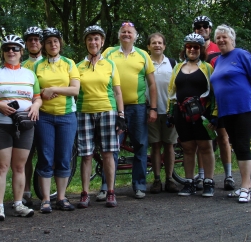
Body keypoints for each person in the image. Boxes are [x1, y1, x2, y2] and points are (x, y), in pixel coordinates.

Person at [0, 35, 42, 221]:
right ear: (3, 52)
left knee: (19, 166)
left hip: (25, 125)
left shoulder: (30, 74)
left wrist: (36, 106)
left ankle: (18, 204)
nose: (11, 52)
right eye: (7, 49)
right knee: (2, 166)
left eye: (15, 48)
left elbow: (37, 97)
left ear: (21, 52)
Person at [99, 21, 157, 200]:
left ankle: (139, 185)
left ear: (135, 36)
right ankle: (106, 187)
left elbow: (152, 84)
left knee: (140, 145)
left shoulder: (143, 55)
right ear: (119, 35)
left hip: (138, 107)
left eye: (130, 32)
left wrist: (153, 108)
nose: (126, 34)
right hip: (113, 107)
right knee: (112, 146)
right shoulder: (108, 52)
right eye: (123, 32)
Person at [210, 25, 251, 203]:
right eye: (218, 37)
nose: (221, 40)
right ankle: (247, 185)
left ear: (232, 39)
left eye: (224, 37)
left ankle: (246, 187)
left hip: (243, 107)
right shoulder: (218, 61)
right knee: (236, 145)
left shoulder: (241, 55)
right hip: (227, 110)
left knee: (242, 145)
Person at [76, 25, 126, 208]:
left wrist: (121, 115)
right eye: (90, 39)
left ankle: (111, 192)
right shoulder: (78, 66)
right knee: (86, 154)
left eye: (96, 39)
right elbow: (73, 90)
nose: (93, 42)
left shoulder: (110, 64)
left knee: (107, 153)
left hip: (107, 110)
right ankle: (84, 193)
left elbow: (118, 92)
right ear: (86, 43)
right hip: (84, 112)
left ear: (102, 42)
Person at [33, 27, 80, 213]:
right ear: (43, 46)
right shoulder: (37, 65)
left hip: (67, 116)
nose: (53, 44)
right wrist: (42, 94)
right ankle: (45, 199)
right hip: (44, 116)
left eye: (56, 41)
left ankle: (61, 197)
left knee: (64, 157)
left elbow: (75, 90)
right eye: (49, 42)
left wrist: (53, 90)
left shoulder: (69, 63)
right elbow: (34, 92)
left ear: (60, 43)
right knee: (45, 156)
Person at [167, 33, 217, 197]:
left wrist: (214, 114)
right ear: (185, 48)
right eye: (189, 46)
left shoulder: (207, 68)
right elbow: (171, 91)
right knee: (188, 148)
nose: (192, 49)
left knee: (205, 147)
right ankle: (189, 182)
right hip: (181, 114)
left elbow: (214, 93)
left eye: (196, 47)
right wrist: (170, 113)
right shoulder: (178, 67)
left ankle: (208, 181)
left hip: (201, 114)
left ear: (201, 49)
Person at [193, 15, 235, 191]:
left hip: (219, 100)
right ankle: (202, 176)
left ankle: (228, 176)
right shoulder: (193, 47)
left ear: (210, 29)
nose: (201, 29)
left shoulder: (220, 48)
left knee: (223, 137)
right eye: (198, 26)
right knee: (202, 141)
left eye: (205, 26)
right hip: (202, 102)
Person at [145, 32, 179, 194]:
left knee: (169, 145)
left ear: (164, 46)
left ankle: (170, 179)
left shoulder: (172, 63)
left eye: (160, 43)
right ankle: (157, 179)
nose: (157, 45)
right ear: (148, 47)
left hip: (169, 112)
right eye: (154, 43)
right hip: (151, 111)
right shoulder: (144, 63)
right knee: (155, 145)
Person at [20, 26, 43, 206]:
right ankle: (26, 191)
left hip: (46, 114)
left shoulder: (49, 61)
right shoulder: (22, 64)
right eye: (30, 40)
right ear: (26, 44)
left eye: (37, 39)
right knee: (26, 154)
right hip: (26, 114)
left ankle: (44, 191)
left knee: (45, 153)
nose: (33, 42)